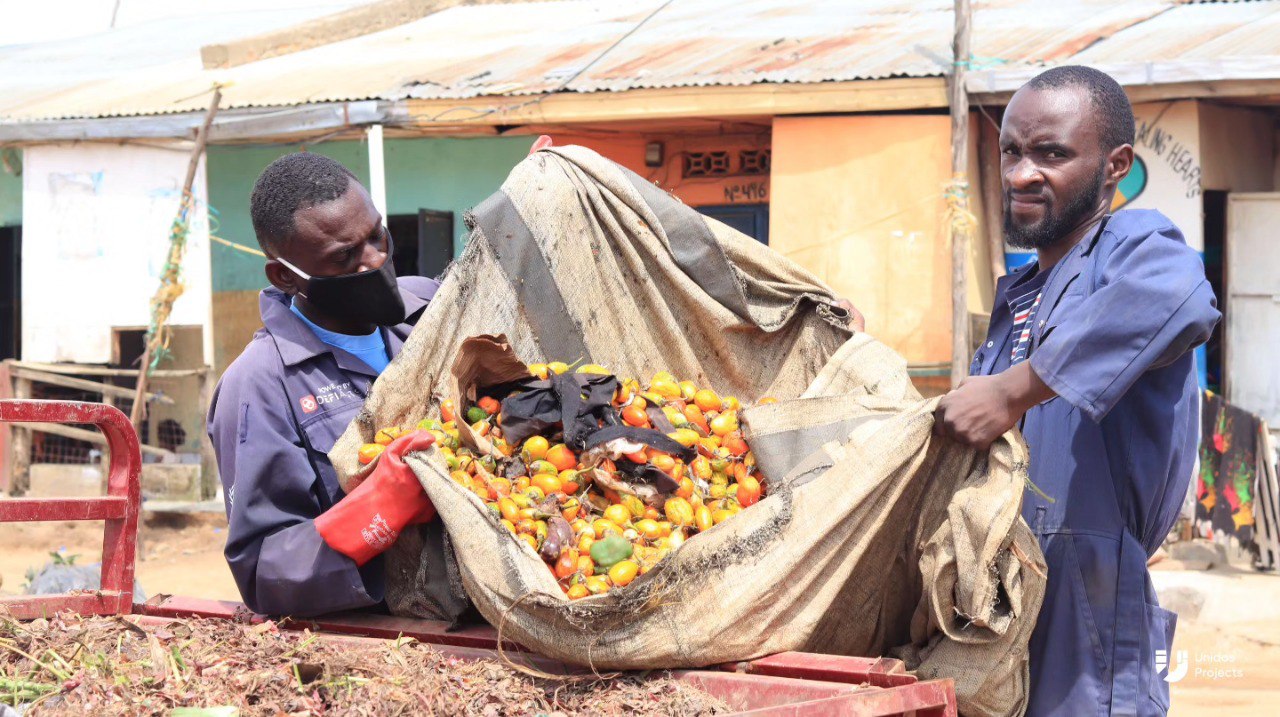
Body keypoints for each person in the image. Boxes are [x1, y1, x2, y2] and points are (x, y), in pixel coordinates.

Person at [934, 66, 1220, 716]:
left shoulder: (1135, 247)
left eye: (1051, 153)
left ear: (1115, 164)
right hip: (1005, 610)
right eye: (1011, 151)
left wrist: (1011, 390)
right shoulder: (1021, 298)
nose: (1020, 174)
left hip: (1090, 615)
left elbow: (1181, 297)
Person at [208, 153, 443, 617]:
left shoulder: (430, 310)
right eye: (344, 257)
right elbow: (263, 571)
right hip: (392, 636)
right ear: (285, 277)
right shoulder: (259, 386)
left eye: (377, 235)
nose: (375, 260)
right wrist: (377, 513)